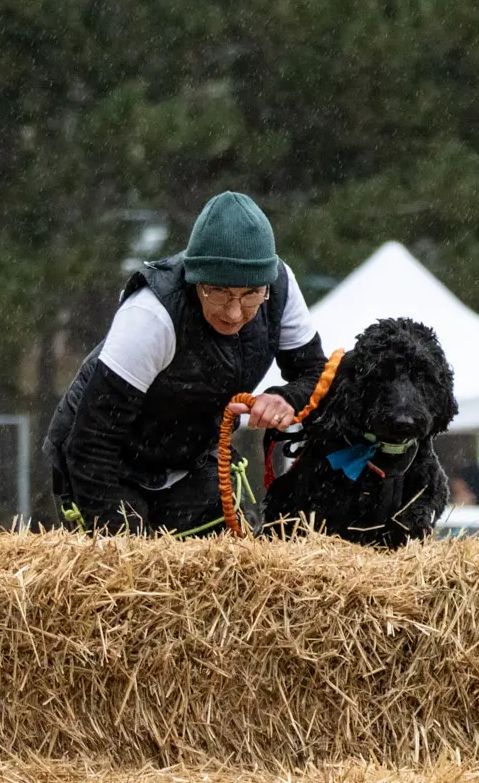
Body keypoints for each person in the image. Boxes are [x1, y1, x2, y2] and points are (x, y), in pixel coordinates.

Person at [44, 191, 329, 535]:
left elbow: (315, 373)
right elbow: (91, 443)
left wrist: (285, 397)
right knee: (137, 578)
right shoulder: (151, 315)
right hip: (105, 462)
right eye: (219, 292)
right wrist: (125, 546)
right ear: (195, 279)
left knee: (234, 562)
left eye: (251, 294)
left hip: (187, 458)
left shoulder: (279, 285)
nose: (235, 312)